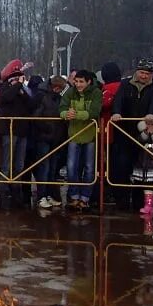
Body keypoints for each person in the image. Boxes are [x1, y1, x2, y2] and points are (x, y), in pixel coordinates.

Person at [110, 59, 153, 210]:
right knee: (122, 165)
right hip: (124, 130)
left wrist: (152, 114)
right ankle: (121, 199)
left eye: (147, 73)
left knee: (141, 165)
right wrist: (116, 113)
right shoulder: (126, 84)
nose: (144, 76)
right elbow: (118, 100)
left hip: (143, 130)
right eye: (142, 72)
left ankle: (139, 201)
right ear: (136, 72)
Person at [59, 69, 102, 211]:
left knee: (89, 168)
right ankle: (74, 195)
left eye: (81, 82)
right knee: (71, 167)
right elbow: (62, 108)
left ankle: (85, 198)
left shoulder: (96, 93)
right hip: (73, 135)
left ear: (89, 82)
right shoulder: (70, 92)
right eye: (76, 81)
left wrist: (76, 114)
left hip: (89, 135)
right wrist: (66, 114)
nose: (78, 84)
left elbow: (94, 112)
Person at [0, 58, 34, 208]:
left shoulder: (23, 90)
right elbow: (6, 98)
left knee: (19, 164)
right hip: (9, 131)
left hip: (22, 131)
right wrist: (16, 85)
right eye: (16, 76)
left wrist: (22, 90)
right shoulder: (4, 88)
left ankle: (16, 192)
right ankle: (3, 192)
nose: (18, 78)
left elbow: (31, 104)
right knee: (7, 164)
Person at [31, 76, 67, 209]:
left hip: (54, 138)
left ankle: (49, 195)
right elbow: (36, 117)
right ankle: (41, 196)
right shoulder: (42, 97)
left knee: (52, 169)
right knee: (44, 168)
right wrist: (47, 128)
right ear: (55, 87)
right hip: (43, 138)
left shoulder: (56, 98)